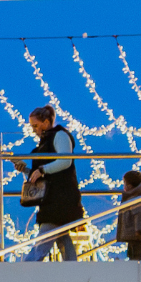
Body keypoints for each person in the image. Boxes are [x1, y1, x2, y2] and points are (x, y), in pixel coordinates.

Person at [21, 104, 83, 260]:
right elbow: (49, 169)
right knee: (62, 237)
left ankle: (24, 270)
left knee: (43, 241)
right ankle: (75, 269)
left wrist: (41, 170)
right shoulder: (48, 140)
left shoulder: (59, 136)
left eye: (36, 125)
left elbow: (65, 161)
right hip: (55, 198)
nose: (34, 129)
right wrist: (26, 170)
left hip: (58, 199)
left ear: (46, 122)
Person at [117, 167, 141, 260]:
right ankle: (134, 262)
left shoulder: (135, 199)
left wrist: (139, 230)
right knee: (133, 251)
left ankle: (136, 265)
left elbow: (140, 215)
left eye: (125, 183)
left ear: (129, 185)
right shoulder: (134, 197)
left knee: (135, 252)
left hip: (135, 234)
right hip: (133, 233)